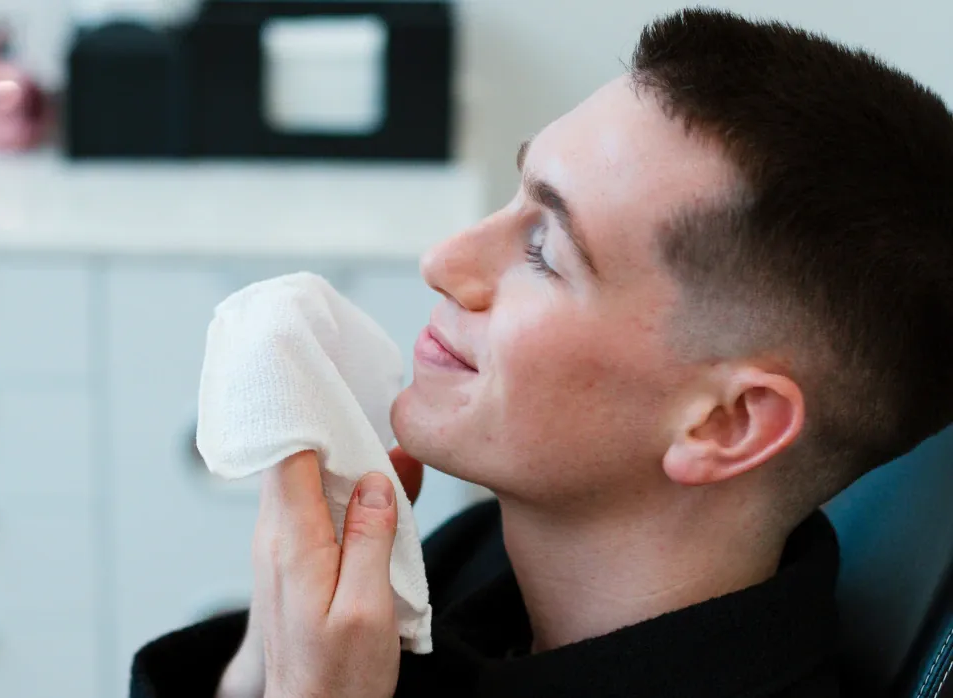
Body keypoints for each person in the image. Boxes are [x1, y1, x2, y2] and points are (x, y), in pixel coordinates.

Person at [130, 7, 953, 698]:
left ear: (726, 423)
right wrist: (270, 652)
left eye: (544, 251)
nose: (444, 261)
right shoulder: (483, 563)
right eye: (514, 196)